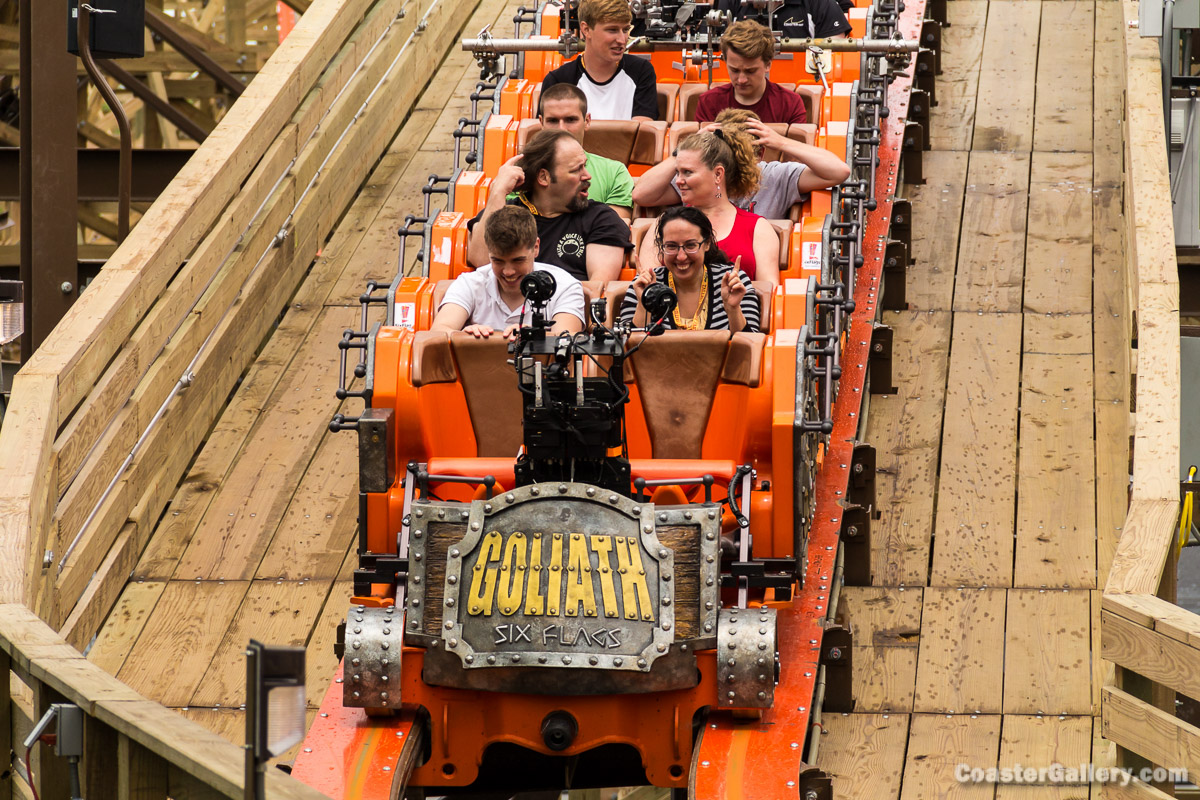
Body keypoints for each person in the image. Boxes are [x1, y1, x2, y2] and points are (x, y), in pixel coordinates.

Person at [466, 129, 631, 282]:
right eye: (576, 170)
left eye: (584, 166)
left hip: (569, 311)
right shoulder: (507, 213)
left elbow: (597, 290)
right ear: (544, 177)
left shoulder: (600, 218)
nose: (587, 176)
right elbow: (481, 259)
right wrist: (498, 192)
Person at [632, 108, 851, 219]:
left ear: (760, 154)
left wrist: (781, 142)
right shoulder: (701, 176)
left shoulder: (775, 175)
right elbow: (641, 194)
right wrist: (686, 152)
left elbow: (839, 171)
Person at [634, 127, 780, 288]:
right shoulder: (664, 223)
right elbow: (648, 285)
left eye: (687, 172)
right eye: (677, 172)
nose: (678, 181)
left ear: (718, 174)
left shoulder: (757, 228)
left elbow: (769, 292)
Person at [433, 205, 585, 339]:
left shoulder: (565, 286)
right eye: (498, 261)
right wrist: (463, 336)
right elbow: (437, 333)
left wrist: (537, 337)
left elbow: (566, 341)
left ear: (536, 247)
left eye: (518, 260)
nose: (508, 271)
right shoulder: (469, 283)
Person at [620, 206, 759, 333]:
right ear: (661, 247)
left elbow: (750, 350)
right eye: (671, 246)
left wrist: (733, 310)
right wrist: (645, 305)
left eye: (691, 245)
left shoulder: (732, 281)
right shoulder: (645, 284)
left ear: (707, 244)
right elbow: (626, 350)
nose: (681, 257)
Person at [540, 0, 658, 121]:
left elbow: (643, 134)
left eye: (625, 30)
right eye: (612, 30)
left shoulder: (641, 72)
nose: (622, 40)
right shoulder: (558, 81)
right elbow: (551, 137)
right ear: (586, 29)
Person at [531, 83, 635, 220]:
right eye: (553, 121)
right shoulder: (525, 171)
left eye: (570, 120)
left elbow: (613, 231)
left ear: (587, 121)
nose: (561, 129)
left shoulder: (614, 173)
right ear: (541, 123)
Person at [696, 20, 807, 125]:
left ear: (768, 65)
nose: (741, 80)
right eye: (734, 70)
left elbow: (799, 144)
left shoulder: (790, 104)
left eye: (750, 71)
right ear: (725, 60)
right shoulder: (709, 102)